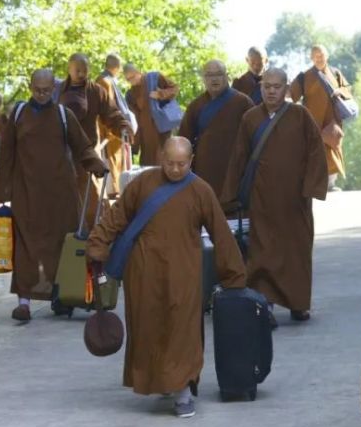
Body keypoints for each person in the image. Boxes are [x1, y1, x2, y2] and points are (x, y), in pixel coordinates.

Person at [87, 137, 247, 418]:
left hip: (184, 270)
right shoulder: (143, 184)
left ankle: (183, 391)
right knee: (148, 325)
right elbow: (117, 216)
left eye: (182, 164)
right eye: (170, 163)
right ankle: (160, 381)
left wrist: (234, 275)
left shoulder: (200, 190)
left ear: (191, 160)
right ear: (161, 157)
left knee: (182, 328)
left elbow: (221, 234)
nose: (175, 170)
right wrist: (97, 245)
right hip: (144, 269)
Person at [0, 69, 108, 322]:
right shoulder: (19, 115)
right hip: (27, 192)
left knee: (62, 245)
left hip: (60, 193)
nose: (42, 94)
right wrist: (2, 190)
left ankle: (62, 296)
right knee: (26, 247)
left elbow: (82, 146)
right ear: (31, 86)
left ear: (53, 89)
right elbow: (7, 153)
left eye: (47, 90)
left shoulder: (62, 115)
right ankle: (24, 301)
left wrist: (97, 166)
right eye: (38, 90)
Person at [221, 67, 328, 326]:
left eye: (276, 86)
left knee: (297, 252)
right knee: (262, 253)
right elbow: (239, 158)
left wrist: (310, 188)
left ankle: (299, 304)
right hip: (262, 199)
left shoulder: (301, 116)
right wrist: (230, 195)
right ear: (261, 88)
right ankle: (263, 306)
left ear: (286, 87)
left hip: (295, 200)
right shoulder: (250, 118)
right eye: (266, 86)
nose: (271, 91)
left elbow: (316, 151)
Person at [57, 53, 130, 222]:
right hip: (61, 154)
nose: (82, 74)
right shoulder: (57, 91)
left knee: (92, 202)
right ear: (69, 69)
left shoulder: (96, 91)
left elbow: (112, 114)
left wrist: (123, 126)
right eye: (78, 70)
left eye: (85, 70)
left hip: (87, 154)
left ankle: (94, 238)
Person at [178, 60, 255, 199]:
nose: (214, 79)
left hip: (234, 170)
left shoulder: (243, 102)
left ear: (226, 76)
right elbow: (184, 140)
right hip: (204, 169)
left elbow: (254, 137)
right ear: (204, 78)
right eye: (209, 75)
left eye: (219, 74)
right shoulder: (196, 106)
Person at [289, 45, 352, 191]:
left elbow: (347, 89)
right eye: (316, 56)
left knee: (332, 150)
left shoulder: (335, 73)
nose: (319, 58)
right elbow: (291, 94)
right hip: (312, 123)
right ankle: (314, 184)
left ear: (327, 56)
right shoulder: (304, 77)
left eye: (322, 55)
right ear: (311, 58)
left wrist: (339, 91)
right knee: (313, 153)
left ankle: (330, 184)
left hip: (332, 122)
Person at [96, 54, 137, 198]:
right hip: (110, 129)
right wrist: (110, 130)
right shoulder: (104, 82)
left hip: (115, 128)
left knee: (118, 160)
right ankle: (113, 191)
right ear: (117, 67)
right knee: (112, 160)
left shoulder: (108, 80)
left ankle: (117, 189)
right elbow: (108, 108)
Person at [124, 63, 179, 166]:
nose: (131, 81)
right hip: (146, 137)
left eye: (132, 77)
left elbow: (174, 89)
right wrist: (134, 146)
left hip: (162, 131)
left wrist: (161, 94)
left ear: (139, 72)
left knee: (163, 162)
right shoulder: (131, 94)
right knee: (147, 167)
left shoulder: (155, 78)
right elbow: (134, 119)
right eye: (128, 79)